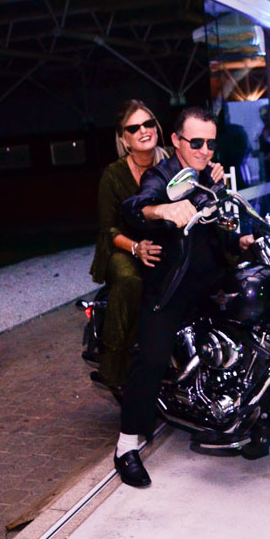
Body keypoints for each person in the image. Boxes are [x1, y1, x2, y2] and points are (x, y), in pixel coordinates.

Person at [116, 107, 255, 486]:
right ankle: (126, 446)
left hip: (214, 279)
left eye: (210, 143)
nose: (205, 150)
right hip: (172, 284)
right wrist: (162, 208)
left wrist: (240, 239)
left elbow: (219, 228)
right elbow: (135, 207)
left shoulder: (210, 175)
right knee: (152, 357)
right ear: (176, 140)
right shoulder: (161, 175)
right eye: (196, 142)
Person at [88, 100, 168, 388]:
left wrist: (214, 169)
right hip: (124, 247)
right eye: (134, 128)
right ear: (123, 139)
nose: (143, 131)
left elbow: (199, 166)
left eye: (148, 123)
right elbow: (108, 229)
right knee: (129, 280)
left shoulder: (173, 161)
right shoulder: (113, 174)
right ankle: (113, 365)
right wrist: (136, 247)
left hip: (164, 243)